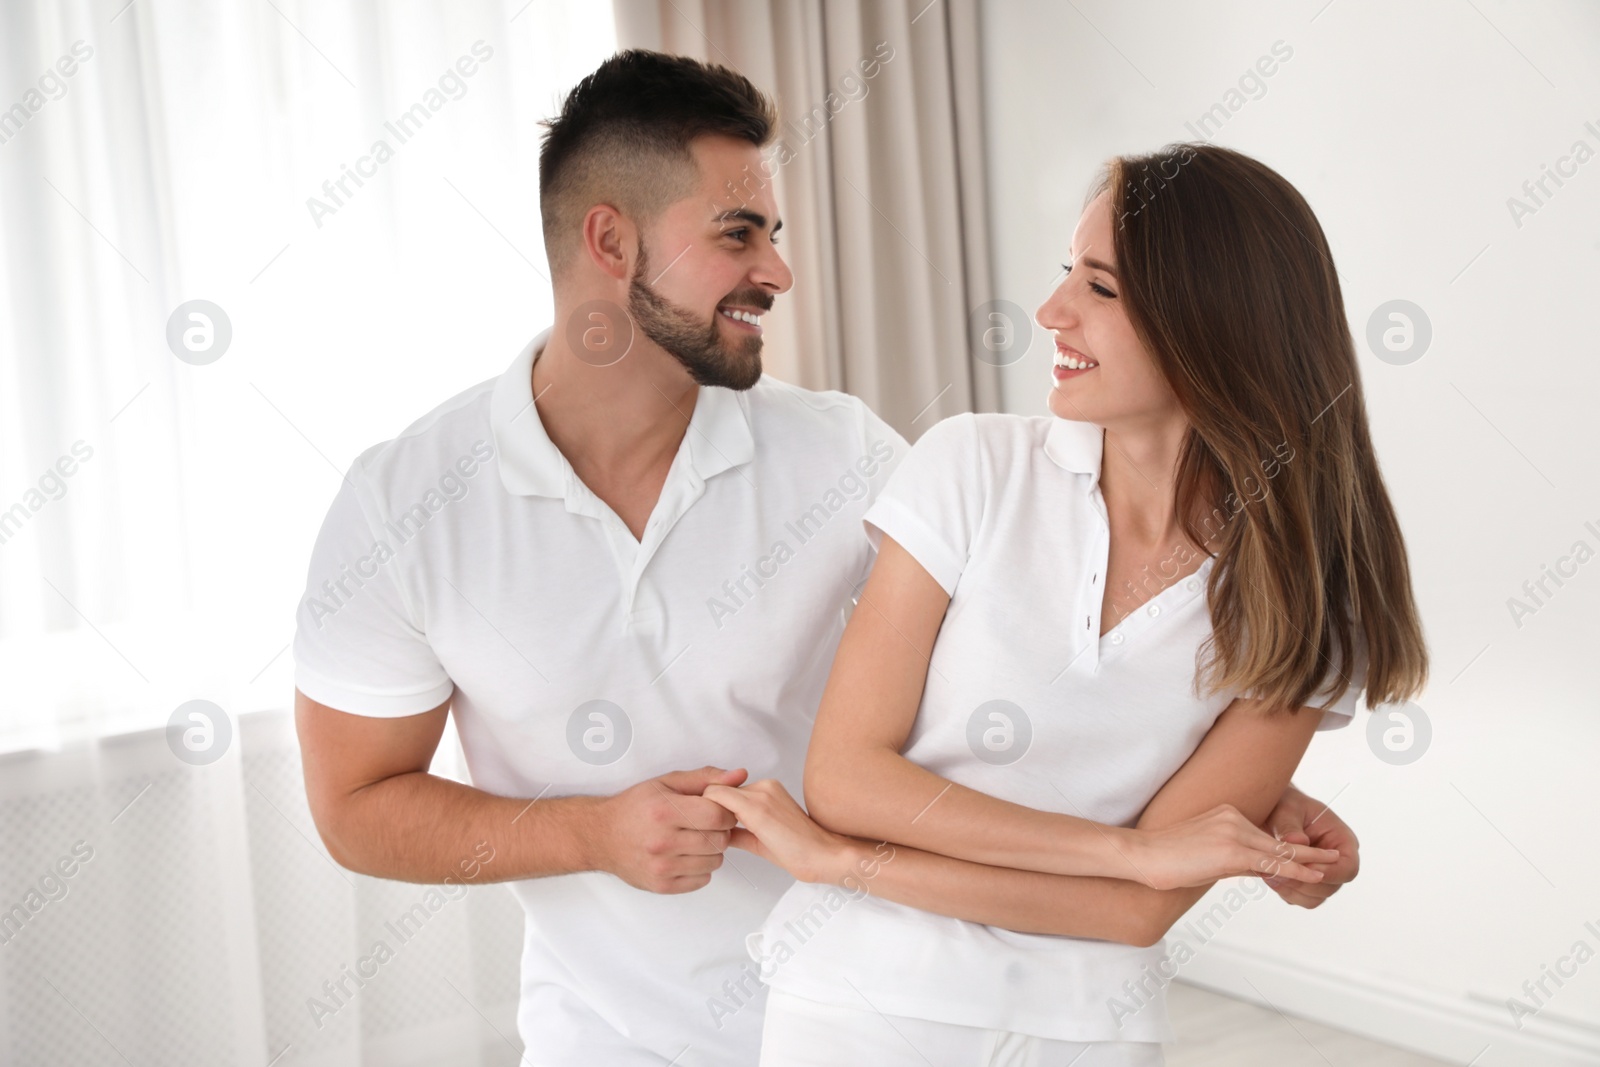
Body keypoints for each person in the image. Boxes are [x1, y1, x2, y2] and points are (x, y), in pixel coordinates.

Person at [291, 49, 1367, 1065]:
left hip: (867, 993)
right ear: (610, 244)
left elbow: (1017, 649)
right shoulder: (404, 504)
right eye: (738, 233)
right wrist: (592, 830)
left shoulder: (845, 456)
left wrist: (1216, 776)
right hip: (611, 1030)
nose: (779, 268)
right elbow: (356, 807)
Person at [705, 143, 1429, 1066]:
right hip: (860, 1000)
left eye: (1102, 289)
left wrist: (846, 863)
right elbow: (849, 778)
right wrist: (1127, 850)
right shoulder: (972, 467)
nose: (1051, 313)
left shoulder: (1312, 594)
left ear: (1217, 323)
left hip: (1093, 1029)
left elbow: (1136, 915)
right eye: (1066, 276)